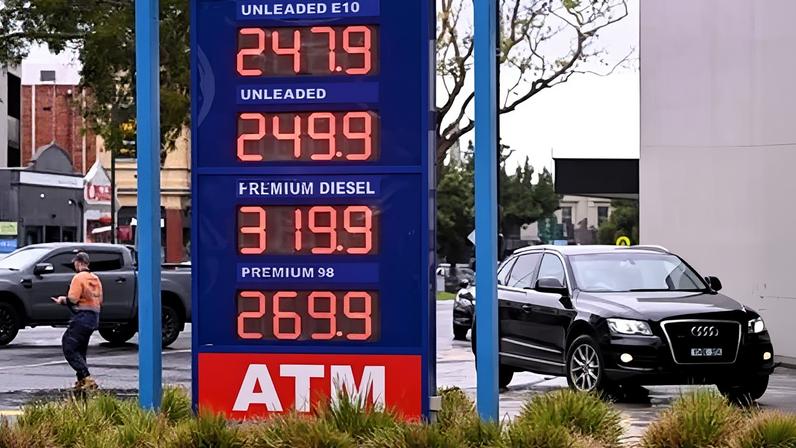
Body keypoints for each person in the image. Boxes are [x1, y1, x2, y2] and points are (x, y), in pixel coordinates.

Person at [51, 252, 103, 391]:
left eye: (75, 263)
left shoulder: (78, 278)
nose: (74, 265)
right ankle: (81, 381)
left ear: (79, 263)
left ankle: (87, 378)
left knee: (69, 345)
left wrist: (63, 300)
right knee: (80, 349)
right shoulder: (95, 278)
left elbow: (73, 299)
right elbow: (100, 300)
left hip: (82, 317)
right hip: (94, 318)